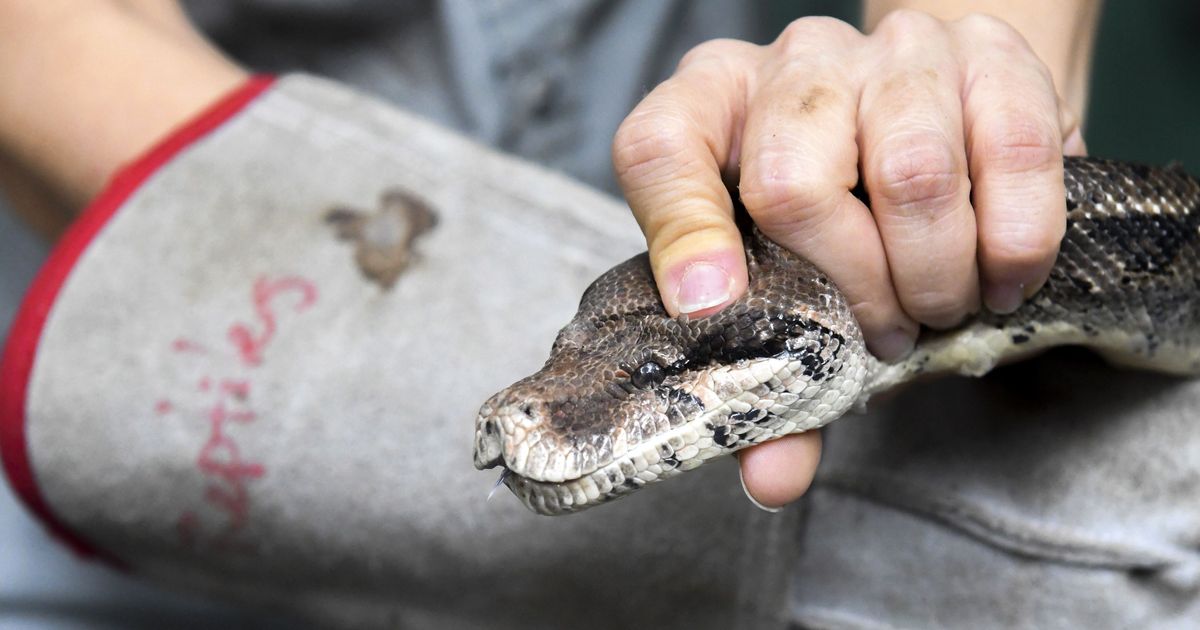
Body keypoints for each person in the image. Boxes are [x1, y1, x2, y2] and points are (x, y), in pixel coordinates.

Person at [7, 1, 1195, 628]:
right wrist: (306, 258)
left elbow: (942, 113)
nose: (526, 417)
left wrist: (949, 104)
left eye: (657, 379)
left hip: (682, 147)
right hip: (157, 214)